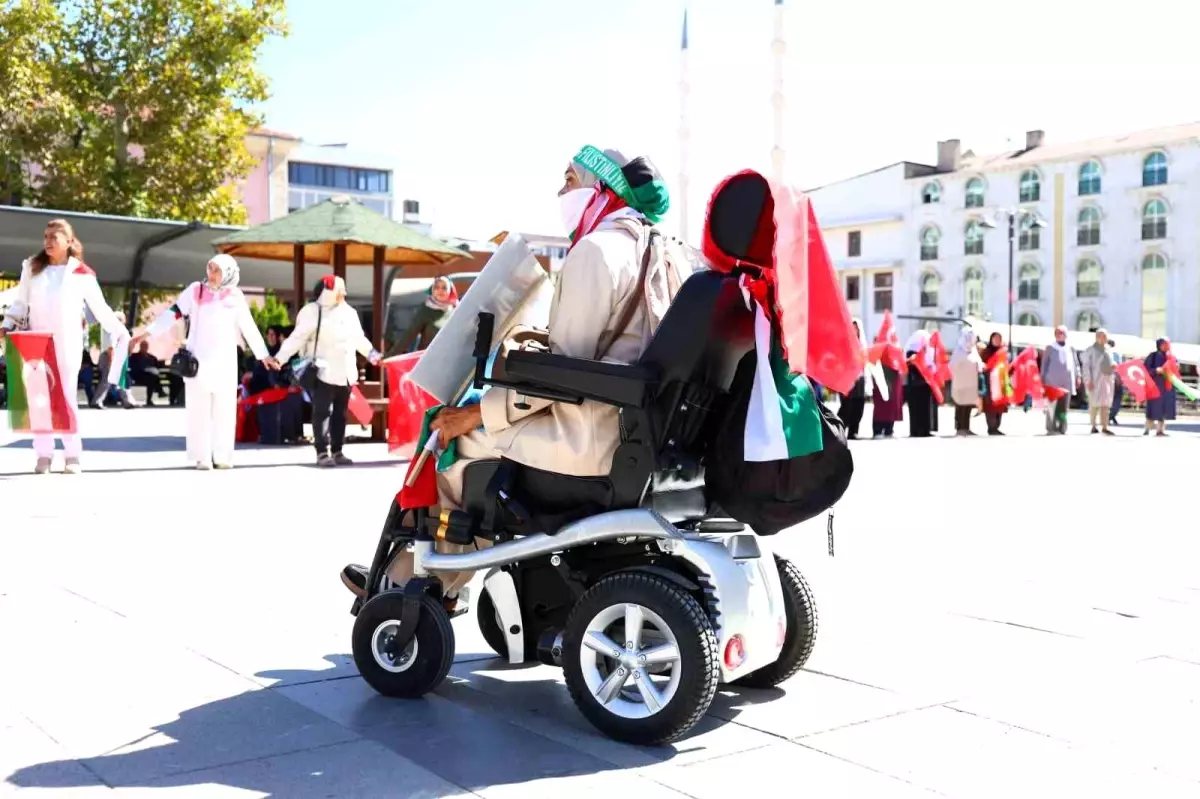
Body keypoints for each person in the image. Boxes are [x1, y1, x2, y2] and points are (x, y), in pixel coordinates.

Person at [339, 146, 678, 606]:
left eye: (569, 179)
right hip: (639, 431)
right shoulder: (663, 251)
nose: (561, 191)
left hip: (591, 439)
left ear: (602, 187)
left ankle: (420, 587)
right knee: (469, 431)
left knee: (453, 447)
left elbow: (566, 371)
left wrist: (476, 415)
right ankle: (421, 578)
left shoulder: (595, 251)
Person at [0, 219, 130, 474]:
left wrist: (119, 331)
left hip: (67, 344)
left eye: (54, 237)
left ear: (69, 242)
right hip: (36, 343)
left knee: (67, 398)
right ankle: (43, 455)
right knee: (39, 400)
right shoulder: (32, 267)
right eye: (45, 236)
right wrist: (7, 324)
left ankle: (72, 455)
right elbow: (20, 303)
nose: (47, 242)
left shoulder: (82, 273)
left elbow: (100, 308)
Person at [148, 254, 277, 469]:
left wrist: (263, 355)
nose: (212, 274)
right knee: (199, 408)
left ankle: (222, 455)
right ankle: (202, 456)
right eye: (210, 268)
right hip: (197, 361)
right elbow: (175, 312)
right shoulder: (196, 290)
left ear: (228, 273)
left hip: (225, 361)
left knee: (225, 408)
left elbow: (248, 327)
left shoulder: (235, 296)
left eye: (217, 270)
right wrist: (148, 333)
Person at [274, 275, 381, 467]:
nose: (344, 293)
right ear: (328, 291)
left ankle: (338, 451)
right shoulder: (312, 311)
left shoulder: (350, 312)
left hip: (347, 371)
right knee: (322, 412)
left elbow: (359, 339)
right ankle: (322, 453)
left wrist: (373, 355)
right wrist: (280, 358)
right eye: (340, 289)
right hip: (323, 371)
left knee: (340, 414)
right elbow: (297, 338)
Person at [387, 276, 458, 356]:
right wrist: (390, 356)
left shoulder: (455, 310)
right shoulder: (426, 309)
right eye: (437, 287)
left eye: (444, 288)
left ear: (450, 291)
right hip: (429, 360)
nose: (440, 291)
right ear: (432, 290)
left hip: (450, 359)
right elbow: (409, 335)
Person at [1040, 325, 1079, 435]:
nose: (1059, 335)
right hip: (1052, 381)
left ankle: (1062, 426)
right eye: (1057, 333)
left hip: (1066, 381)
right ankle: (1051, 427)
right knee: (1051, 406)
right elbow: (1044, 364)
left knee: (1064, 407)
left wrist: (1078, 376)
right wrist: (1042, 378)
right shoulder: (1050, 347)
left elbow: (1076, 363)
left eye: (1062, 333)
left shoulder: (1070, 348)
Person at [837, 318, 869, 439]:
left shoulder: (863, 345)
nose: (854, 330)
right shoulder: (844, 343)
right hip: (846, 379)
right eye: (852, 327)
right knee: (846, 406)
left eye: (856, 328)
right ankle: (839, 431)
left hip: (860, 379)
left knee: (859, 405)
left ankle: (853, 432)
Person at [1081, 328, 1116, 436]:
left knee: (1105, 404)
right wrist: (1088, 380)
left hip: (1107, 380)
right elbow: (1086, 367)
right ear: (1096, 337)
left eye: (1105, 336)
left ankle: (1105, 427)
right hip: (1095, 380)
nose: (1103, 338)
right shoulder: (1090, 350)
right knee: (1094, 404)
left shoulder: (1109, 350)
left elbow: (1112, 361)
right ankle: (1093, 425)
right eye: (1100, 336)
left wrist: (1114, 365)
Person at [949, 327, 982, 436]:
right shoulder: (959, 351)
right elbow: (952, 366)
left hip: (971, 384)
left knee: (968, 406)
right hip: (960, 384)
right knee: (960, 405)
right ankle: (959, 427)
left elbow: (979, 363)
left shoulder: (973, 351)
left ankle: (966, 427)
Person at [904, 330, 935, 437]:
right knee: (915, 409)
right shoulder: (911, 351)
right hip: (914, 384)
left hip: (925, 384)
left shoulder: (928, 351)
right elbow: (909, 364)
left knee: (926, 408)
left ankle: (925, 430)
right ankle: (915, 430)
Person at [1143, 337, 1176, 437]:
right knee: (1152, 408)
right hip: (1155, 386)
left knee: (1164, 409)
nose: (1166, 346)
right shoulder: (1152, 356)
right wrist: (1155, 371)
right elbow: (1145, 369)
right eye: (1164, 344)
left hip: (1167, 386)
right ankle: (1147, 428)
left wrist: (1176, 367)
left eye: (1167, 344)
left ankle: (1160, 430)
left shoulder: (1171, 357)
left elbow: (1175, 368)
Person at [979, 332, 1008, 435]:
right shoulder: (986, 352)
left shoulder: (1003, 352)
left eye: (999, 339)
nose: (997, 341)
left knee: (1000, 405)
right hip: (989, 382)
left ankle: (996, 427)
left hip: (1001, 382)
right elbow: (982, 366)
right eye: (995, 338)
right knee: (990, 404)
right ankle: (991, 427)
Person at [1108, 339, 1124, 426]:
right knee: (1117, 398)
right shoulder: (1117, 353)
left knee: (1109, 399)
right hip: (1117, 378)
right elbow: (1120, 367)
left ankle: (1110, 416)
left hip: (1108, 378)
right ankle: (1112, 415)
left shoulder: (1105, 352)